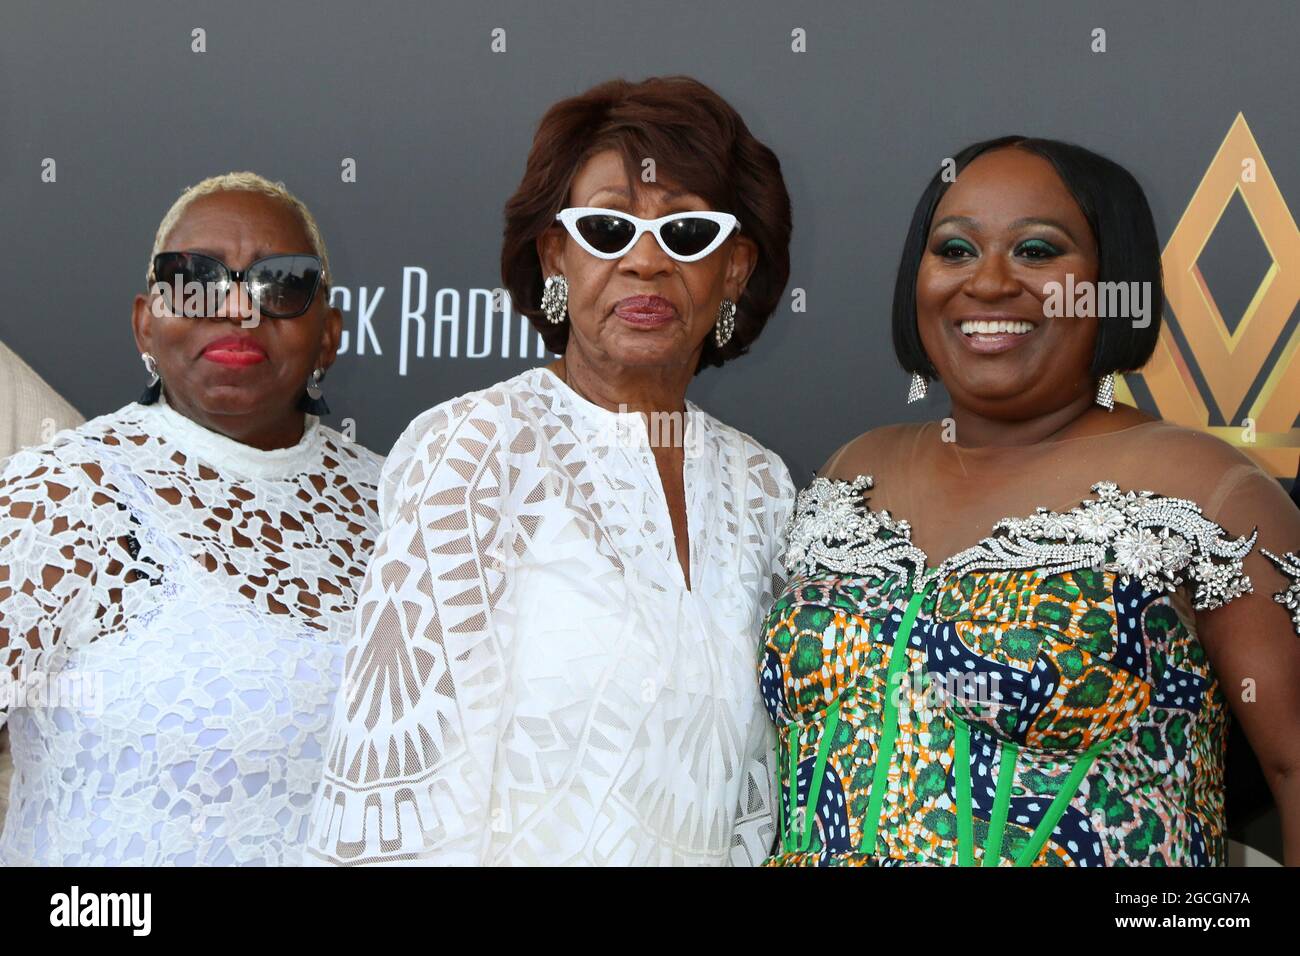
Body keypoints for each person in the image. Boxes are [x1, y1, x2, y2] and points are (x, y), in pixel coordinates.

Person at [762, 137, 1300, 866]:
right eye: (954, 250)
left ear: (1115, 284)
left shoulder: (1208, 492)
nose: (987, 283)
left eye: (1038, 252)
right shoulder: (852, 470)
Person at [307, 76, 795, 865]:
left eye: (687, 234)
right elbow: (391, 790)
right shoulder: (475, 448)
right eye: (606, 229)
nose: (645, 262)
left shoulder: (762, 487)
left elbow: (756, 800)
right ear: (555, 256)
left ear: (735, 269)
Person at [0, 172, 383, 865]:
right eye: (195, 278)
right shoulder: (64, 493)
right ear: (146, 321)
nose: (239, 308)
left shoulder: (403, 504)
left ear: (328, 336)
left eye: (282, 283)